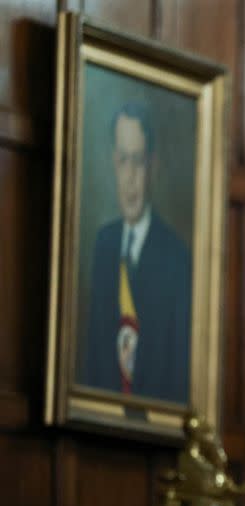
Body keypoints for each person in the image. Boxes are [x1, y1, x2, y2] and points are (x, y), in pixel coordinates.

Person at [82, 103, 192, 404]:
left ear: (152, 166)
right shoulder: (104, 244)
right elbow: (93, 355)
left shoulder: (176, 257)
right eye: (122, 161)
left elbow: (177, 372)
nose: (130, 177)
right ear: (112, 163)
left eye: (138, 161)